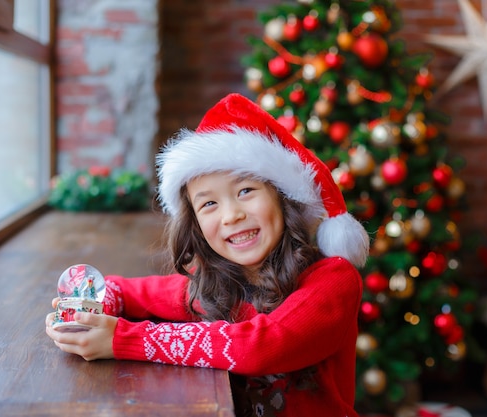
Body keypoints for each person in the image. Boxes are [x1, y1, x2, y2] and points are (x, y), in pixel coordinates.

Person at [45, 93, 370, 417]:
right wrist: (90, 310)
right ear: (197, 225)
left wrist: (122, 339)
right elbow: (130, 291)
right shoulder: (218, 284)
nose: (231, 216)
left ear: (283, 198)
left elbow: (264, 346)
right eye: (209, 204)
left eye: (245, 191)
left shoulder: (334, 281)